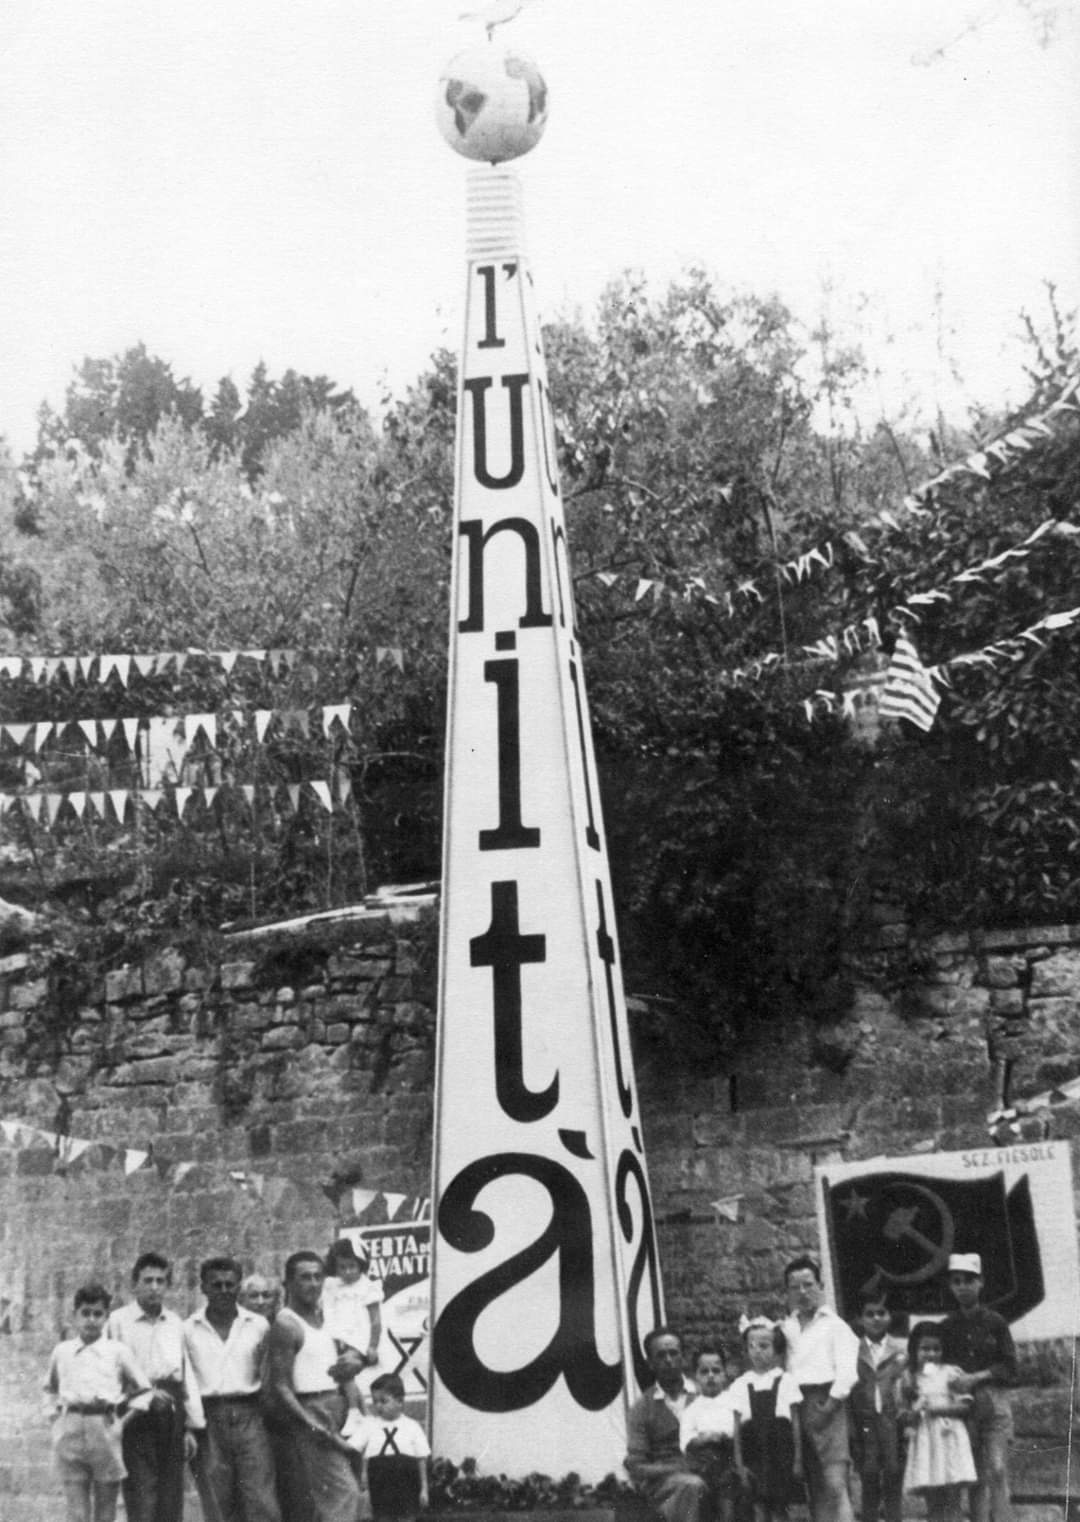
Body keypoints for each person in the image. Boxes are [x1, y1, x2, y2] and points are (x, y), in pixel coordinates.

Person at [267, 1250, 364, 1522]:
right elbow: (280, 1386)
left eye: (318, 1277)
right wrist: (311, 1424)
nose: (313, 1283)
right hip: (313, 1412)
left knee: (346, 1493)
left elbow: (346, 1360)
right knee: (343, 1494)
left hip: (342, 1405)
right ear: (288, 1283)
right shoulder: (287, 1324)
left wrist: (355, 1362)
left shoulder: (325, 1316)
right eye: (305, 1277)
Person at [106, 1251, 204, 1522]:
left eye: (160, 1281)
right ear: (134, 1284)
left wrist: (190, 1427)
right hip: (135, 1413)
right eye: (147, 1280)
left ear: (168, 1285)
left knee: (171, 1497)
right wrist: (141, 1397)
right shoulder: (118, 1321)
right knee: (142, 1497)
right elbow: (109, 1372)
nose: (154, 1287)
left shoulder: (175, 1323)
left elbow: (185, 1375)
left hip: (170, 1414)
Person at [44, 1282, 153, 1522]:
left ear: (106, 1316)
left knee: (106, 1510)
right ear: (75, 1315)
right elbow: (49, 1389)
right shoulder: (62, 1351)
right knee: (76, 1512)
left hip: (104, 1428)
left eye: (97, 1314)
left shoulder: (118, 1351)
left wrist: (122, 1424)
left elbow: (144, 1391)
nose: (91, 1320)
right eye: (85, 1313)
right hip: (70, 1428)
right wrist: (55, 1420)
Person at [183, 1255, 281, 1522]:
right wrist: (190, 1426)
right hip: (209, 1419)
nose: (224, 1291)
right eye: (217, 1285)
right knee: (217, 1499)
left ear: (239, 1286)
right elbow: (186, 1382)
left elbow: (267, 1375)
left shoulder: (258, 1325)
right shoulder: (189, 1329)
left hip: (250, 1415)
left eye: (230, 1284)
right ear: (204, 1288)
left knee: (260, 1496)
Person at [939, 1252, 1017, 1522]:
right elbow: (941, 1368)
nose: (963, 1287)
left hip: (994, 1403)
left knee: (997, 1469)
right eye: (957, 1281)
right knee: (974, 1475)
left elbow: (1010, 1367)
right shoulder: (947, 1327)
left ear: (980, 1282)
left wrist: (978, 1376)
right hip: (964, 1408)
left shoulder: (995, 1322)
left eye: (969, 1280)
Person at [781, 1255, 859, 1522]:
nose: (802, 1292)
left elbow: (847, 1373)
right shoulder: (787, 1328)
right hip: (796, 1407)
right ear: (787, 1292)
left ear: (821, 1286)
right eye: (795, 1287)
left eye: (808, 1285)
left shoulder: (835, 1326)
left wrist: (830, 1406)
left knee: (835, 1483)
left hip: (826, 1403)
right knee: (814, 1485)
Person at [625, 1325, 709, 1522]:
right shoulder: (642, 1408)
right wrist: (678, 1468)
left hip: (708, 1472)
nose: (669, 1360)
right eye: (661, 1355)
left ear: (683, 1357)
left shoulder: (703, 1395)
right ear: (650, 1363)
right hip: (664, 1484)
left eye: (673, 1353)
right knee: (691, 1485)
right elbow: (636, 1466)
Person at [899, 1321, 976, 1522]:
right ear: (914, 1349)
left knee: (952, 1493)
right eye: (925, 1349)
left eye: (936, 1349)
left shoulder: (951, 1373)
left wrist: (935, 1410)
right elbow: (904, 1413)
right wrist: (913, 1413)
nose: (931, 1354)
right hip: (926, 1440)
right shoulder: (910, 1378)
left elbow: (965, 1407)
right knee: (933, 1496)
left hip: (949, 1437)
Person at [729, 1316, 803, 1522]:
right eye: (752, 1346)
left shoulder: (786, 1380)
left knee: (780, 1507)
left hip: (781, 1454)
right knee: (759, 1506)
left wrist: (798, 1460)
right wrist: (739, 1464)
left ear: (777, 1349)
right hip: (753, 1454)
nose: (757, 1351)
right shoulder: (740, 1384)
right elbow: (737, 1429)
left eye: (764, 1346)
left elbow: (795, 1423)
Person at [343, 1371, 430, 1522]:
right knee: (382, 1516)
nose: (378, 1406)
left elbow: (421, 1459)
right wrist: (331, 1438)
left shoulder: (412, 1426)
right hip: (380, 1480)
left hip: (406, 1481)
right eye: (375, 1401)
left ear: (400, 1401)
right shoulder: (369, 1425)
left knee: (407, 1516)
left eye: (383, 1401)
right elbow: (353, 1448)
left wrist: (424, 1489)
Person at [849, 1293, 906, 1522]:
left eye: (881, 1313)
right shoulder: (853, 1350)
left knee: (894, 1476)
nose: (876, 1318)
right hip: (864, 1423)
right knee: (869, 1478)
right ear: (860, 1319)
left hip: (893, 1422)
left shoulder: (900, 1350)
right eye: (869, 1314)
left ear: (890, 1317)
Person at [678, 1343, 737, 1522]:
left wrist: (719, 1436)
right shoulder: (691, 1410)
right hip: (701, 1465)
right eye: (704, 1372)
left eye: (716, 1371)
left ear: (725, 1374)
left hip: (729, 1460)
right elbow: (686, 1441)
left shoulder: (733, 1402)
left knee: (729, 1488)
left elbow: (737, 1431)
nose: (710, 1376)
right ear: (695, 1376)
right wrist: (704, 1439)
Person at [323, 1238, 383, 1370]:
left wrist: (372, 1346)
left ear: (361, 1265)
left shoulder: (368, 1287)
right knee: (329, 1364)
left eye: (352, 1266)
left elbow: (376, 1321)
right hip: (335, 1338)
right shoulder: (332, 1285)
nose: (347, 1272)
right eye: (342, 1267)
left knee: (347, 1366)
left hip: (358, 1339)